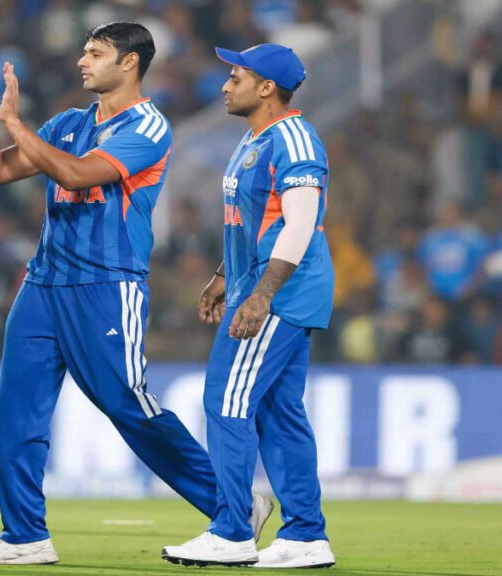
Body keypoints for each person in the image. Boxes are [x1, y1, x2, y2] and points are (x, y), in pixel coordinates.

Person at [0, 22, 270, 565]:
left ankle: (234, 505)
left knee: (127, 403)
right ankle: (24, 536)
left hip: (106, 282)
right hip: (43, 282)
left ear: (129, 62)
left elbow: (77, 175)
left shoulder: (149, 126)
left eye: (96, 52)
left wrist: (14, 123)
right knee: (16, 411)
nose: (82, 61)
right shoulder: (68, 123)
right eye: (83, 51)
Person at [161, 44, 336, 569]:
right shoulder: (255, 138)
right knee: (280, 413)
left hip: (280, 294)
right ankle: (305, 536)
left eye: (236, 77)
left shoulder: (295, 140)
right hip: (261, 288)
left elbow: (301, 224)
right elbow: (256, 218)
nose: (225, 85)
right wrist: (224, 275)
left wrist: (261, 295)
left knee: (227, 402)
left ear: (266, 88)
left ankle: (232, 530)